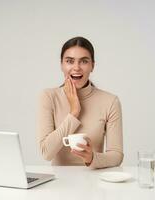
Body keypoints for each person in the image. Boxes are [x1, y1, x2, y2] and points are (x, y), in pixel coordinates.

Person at [37, 36, 123, 169]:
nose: (76, 67)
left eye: (84, 61)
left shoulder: (110, 101)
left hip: (94, 182)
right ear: (61, 65)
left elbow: (117, 155)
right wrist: (74, 112)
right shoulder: (49, 97)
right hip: (58, 183)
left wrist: (92, 158)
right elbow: (46, 153)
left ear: (92, 66)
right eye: (70, 61)